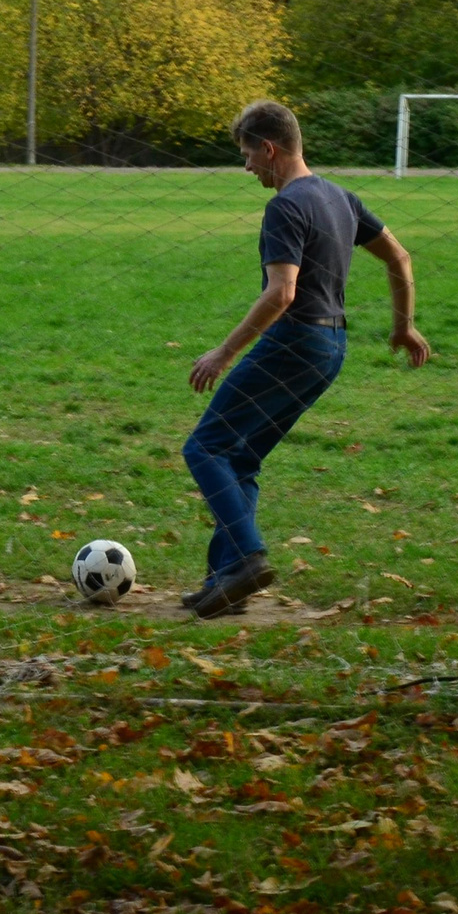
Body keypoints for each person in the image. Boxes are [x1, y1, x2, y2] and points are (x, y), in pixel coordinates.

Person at [180, 101, 432, 620]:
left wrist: (224, 352)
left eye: (248, 155)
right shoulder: (341, 199)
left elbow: (282, 292)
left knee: (205, 447)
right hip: (330, 349)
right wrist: (403, 324)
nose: (246, 167)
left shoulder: (285, 206)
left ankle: (248, 558)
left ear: (269, 149)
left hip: (293, 342)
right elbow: (400, 257)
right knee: (240, 457)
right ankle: (224, 581)